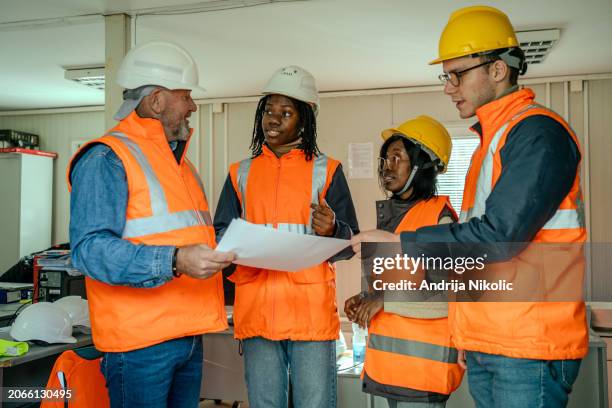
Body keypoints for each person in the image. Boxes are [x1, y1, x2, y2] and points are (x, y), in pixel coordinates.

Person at [351, 6, 587, 408]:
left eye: (457, 74)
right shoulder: (488, 145)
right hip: (491, 341)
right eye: (446, 76)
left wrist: (401, 243)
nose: (448, 87)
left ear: (497, 69)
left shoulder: (537, 133)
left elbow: (500, 237)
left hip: (527, 343)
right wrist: (467, 330)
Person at [68, 41, 236, 408]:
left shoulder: (180, 167)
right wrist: (174, 260)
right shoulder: (106, 158)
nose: (192, 105)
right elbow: (89, 250)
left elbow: (184, 236)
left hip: (187, 335)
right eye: (185, 96)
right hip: (140, 344)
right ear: (157, 101)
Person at [214, 65, 359, 408]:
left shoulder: (328, 170)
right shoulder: (241, 173)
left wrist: (334, 230)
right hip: (257, 312)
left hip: (309, 314)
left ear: (305, 119)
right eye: (268, 110)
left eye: (286, 112)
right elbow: (221, 234)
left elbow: (350, 244)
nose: (273, 119)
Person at [345, 115, 463, 408]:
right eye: (385, 158)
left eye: (397, 158)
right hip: (390, 370)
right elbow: (397, 282)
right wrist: (363, 298)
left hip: (424, 372)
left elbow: (449, 296)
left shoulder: (439, 218)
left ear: (423, 164)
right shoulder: (390, 218)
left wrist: (384, 303)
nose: (387, 166)